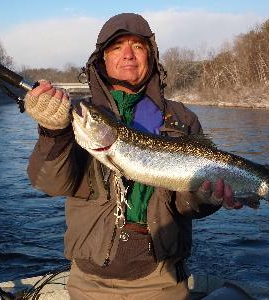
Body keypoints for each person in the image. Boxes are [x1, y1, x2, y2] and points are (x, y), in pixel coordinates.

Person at [24, 13, 242, 300]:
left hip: (161, 280)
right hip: (89, 281)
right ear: (102, 59)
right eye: (116, 47)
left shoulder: (181, 118)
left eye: (137, 46)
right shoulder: (76, 120)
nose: (128, 54)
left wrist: (205, 197)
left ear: (150, 57)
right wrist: (53, 132)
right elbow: (50, 183)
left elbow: (188, 207)